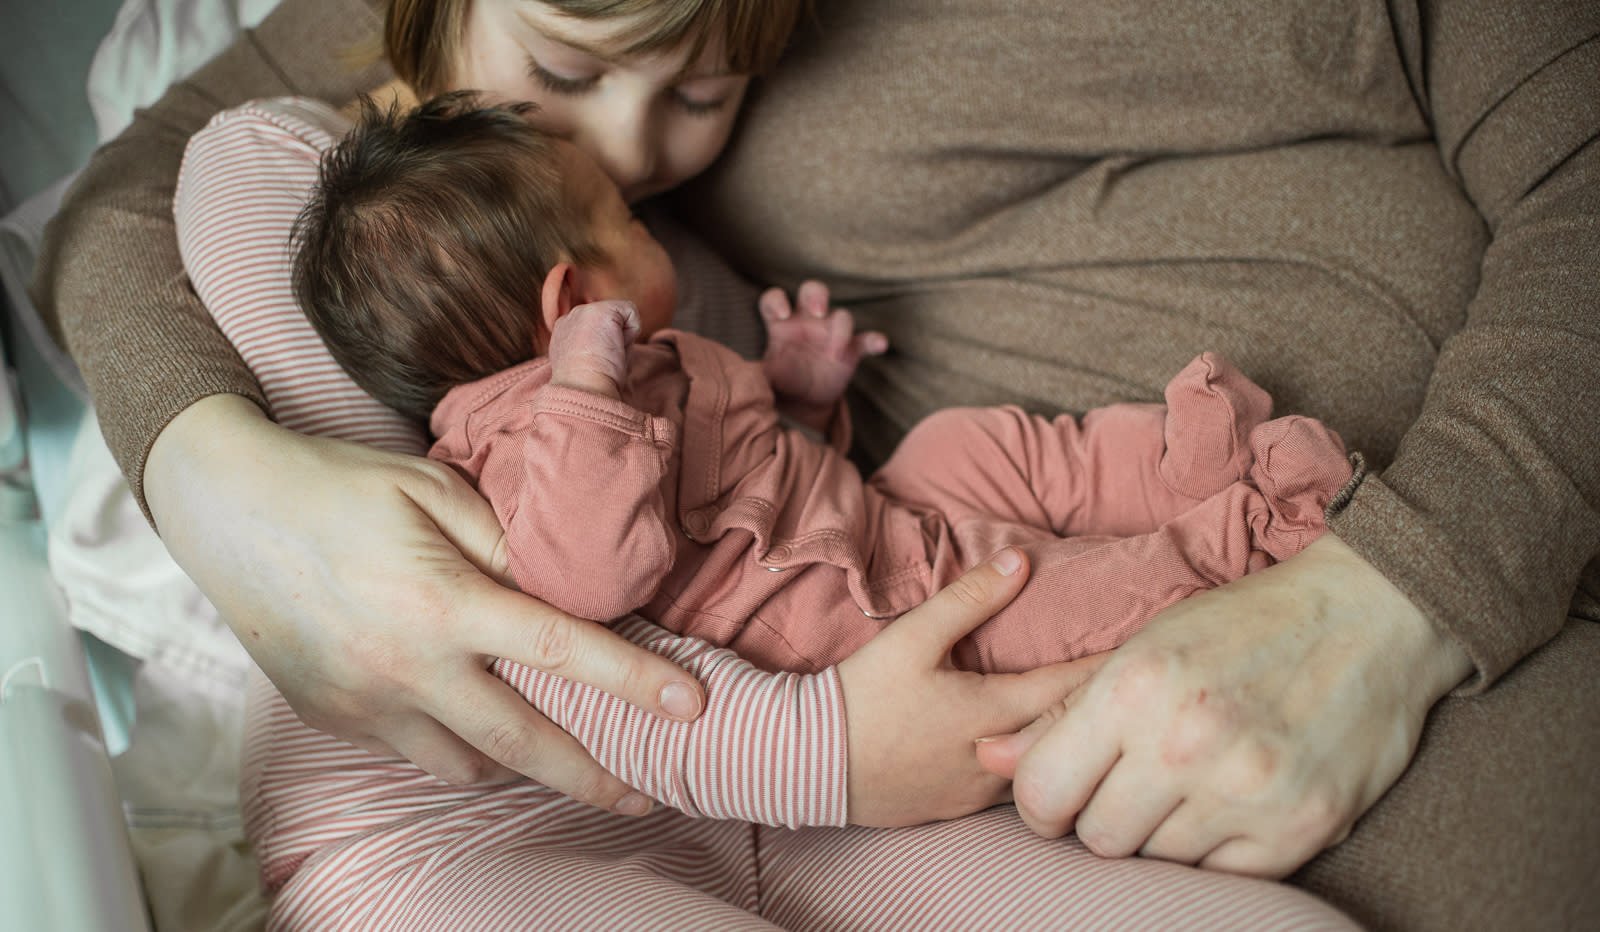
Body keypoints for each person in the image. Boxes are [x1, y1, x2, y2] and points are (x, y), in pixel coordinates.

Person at [31, 0, 1597, 929]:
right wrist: (216, 476)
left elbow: (754, 448)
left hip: (920, 674)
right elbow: (165, 177)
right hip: (755, 725)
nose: (636, 150)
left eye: (704, 95)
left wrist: (1410, 586)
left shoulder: (660, 271)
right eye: (567, 75)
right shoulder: (439, 179)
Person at [283, 92, 1353, 676]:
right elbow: (590, 573)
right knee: (1035, 597)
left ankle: (1172, 472)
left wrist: (794, 391)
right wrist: (576, 388)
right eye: (628, 222)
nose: (648, 225)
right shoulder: (525, 450)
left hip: (873, 516)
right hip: (868, 625)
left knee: (963, 445)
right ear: (571, 304)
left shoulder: (647, 367)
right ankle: (1238, 543)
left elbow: (749, 469)